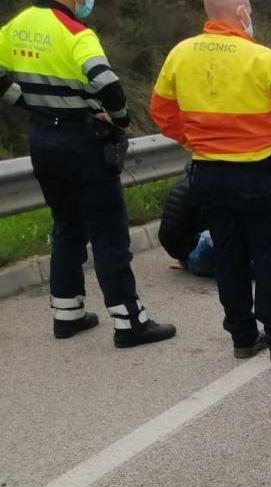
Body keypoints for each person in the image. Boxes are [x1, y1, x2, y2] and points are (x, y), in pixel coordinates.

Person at [151, 0, 271, 364]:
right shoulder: (261, 58)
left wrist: (194, 140)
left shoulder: (180, 54)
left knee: (230, 257)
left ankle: (243, 338)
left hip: (210, 175)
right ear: (241, 10)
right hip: (259, 174)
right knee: (269, 258)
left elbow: (161, 113)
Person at [0, 0, 176, 347]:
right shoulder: (77, 33)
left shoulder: (17, 25)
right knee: (108, 231)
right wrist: (121, 120)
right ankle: (129, 322)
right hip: (81, 140)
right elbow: (107, 84)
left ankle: (67, 314)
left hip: (41, 138)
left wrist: (23, 101)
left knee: (67, 225)